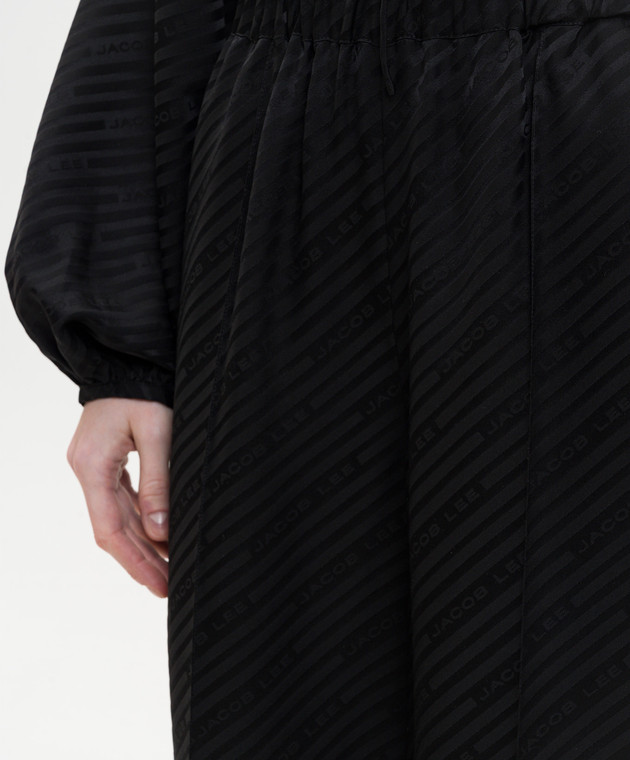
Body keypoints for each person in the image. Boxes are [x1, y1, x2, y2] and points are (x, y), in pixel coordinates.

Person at [6, 0, 630, 757]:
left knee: (580, 681)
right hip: (295, 157)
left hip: (590, 151)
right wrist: (120, 353)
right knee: (286, 693)